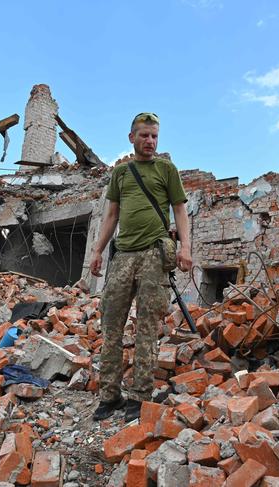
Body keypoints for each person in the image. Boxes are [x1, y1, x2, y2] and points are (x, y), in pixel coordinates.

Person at [89, 112, 193, 421]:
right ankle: (109, 396)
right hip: (122, 256)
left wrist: (186, 247)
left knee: (147, 329)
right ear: (132, 137)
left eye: (155, 136)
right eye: (145, 135)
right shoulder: (121, 174)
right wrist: (97, 250)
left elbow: (180, 209)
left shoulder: (166, 169)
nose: (150, 141)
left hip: (153, 254)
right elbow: (111, 216)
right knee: (110, 326)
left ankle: (140, 396)